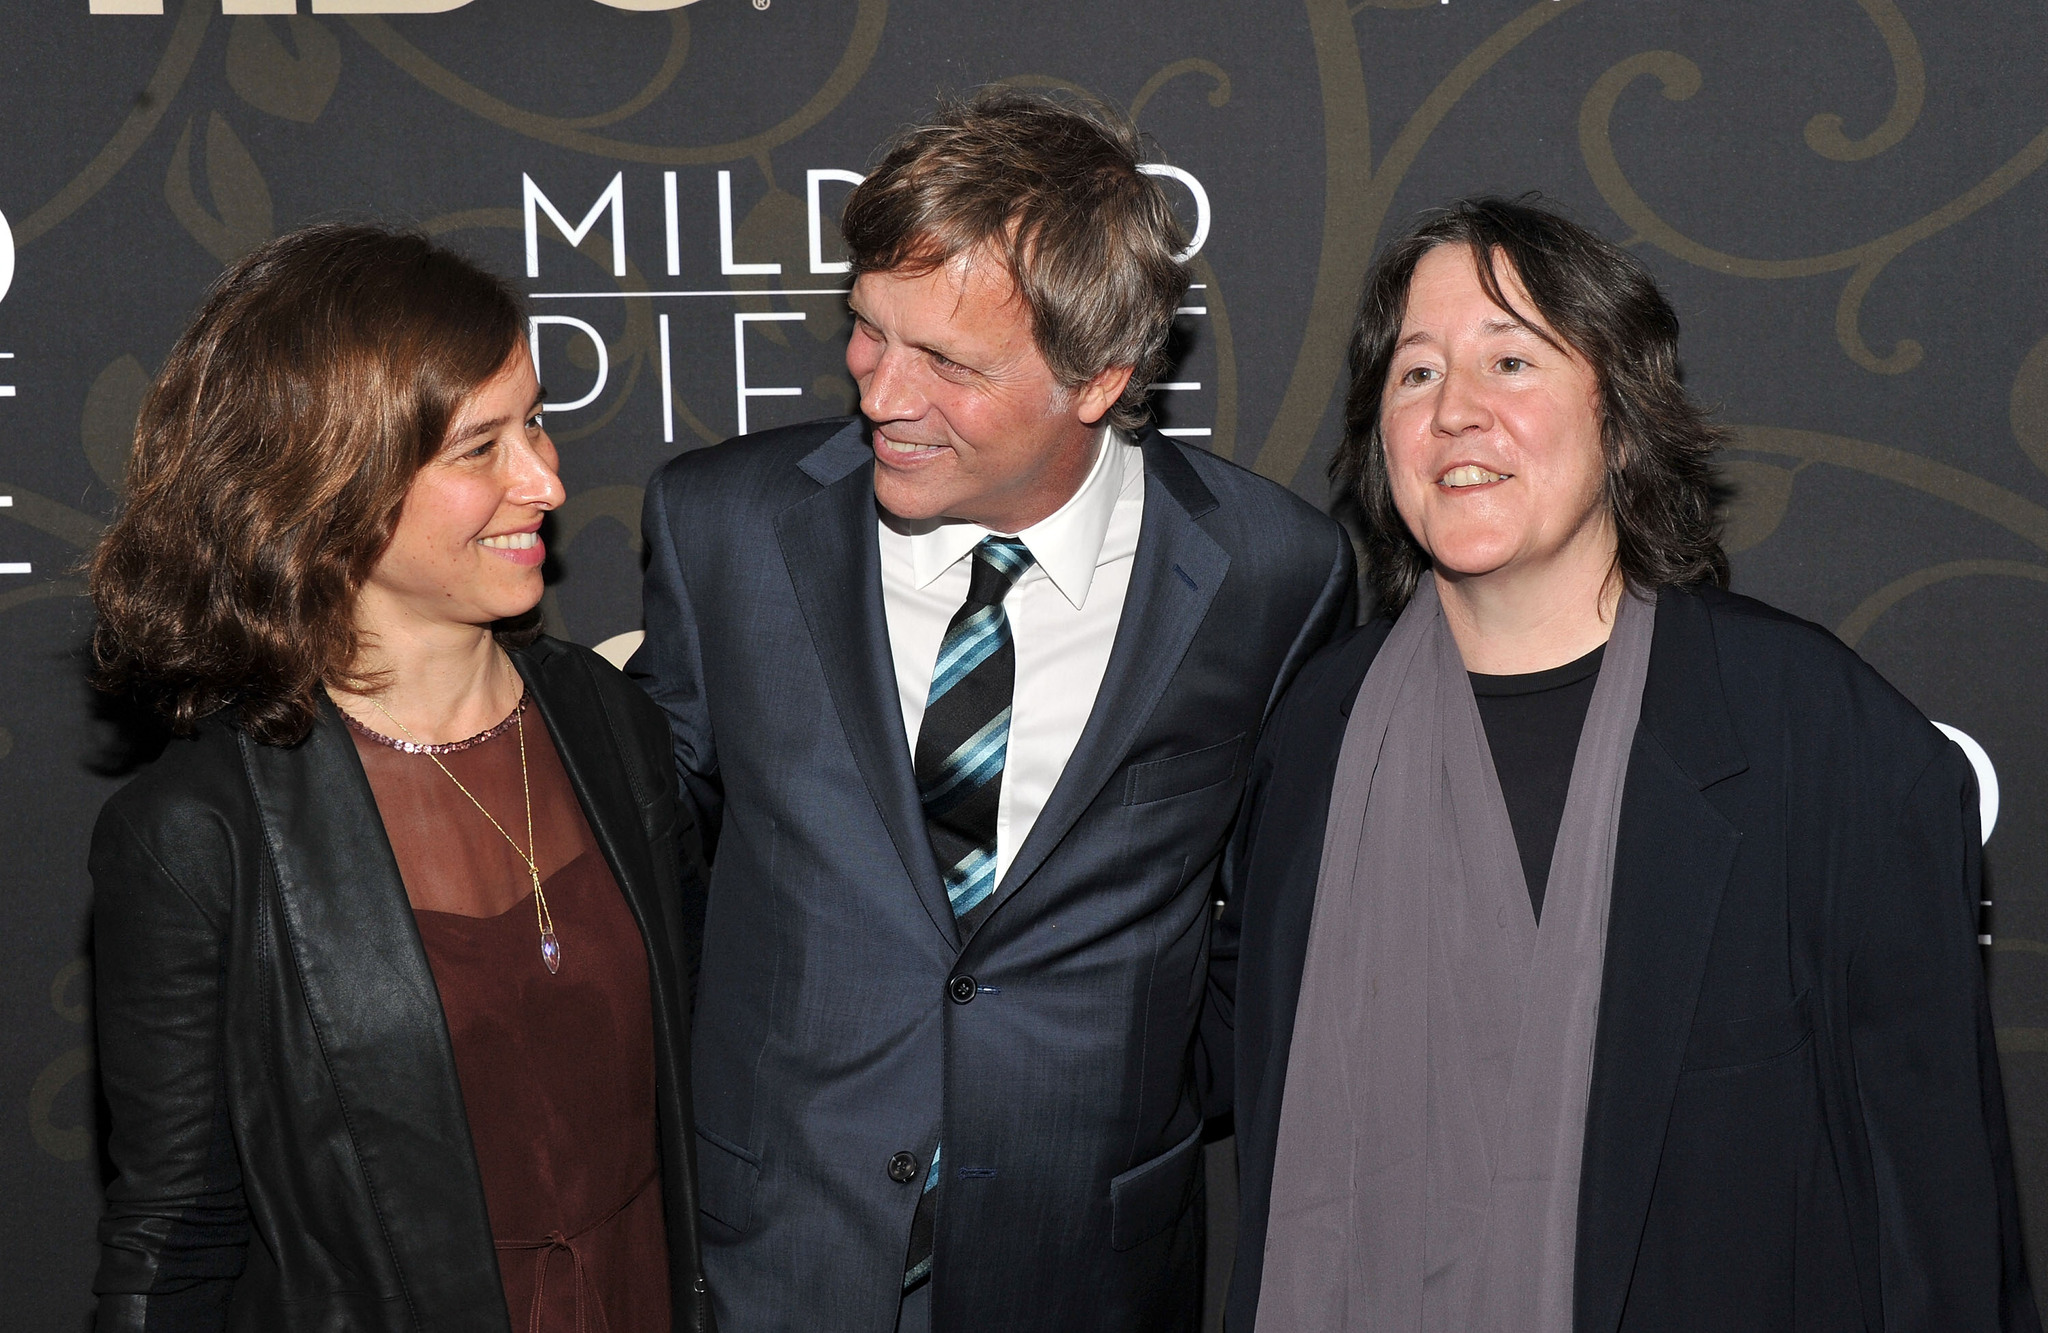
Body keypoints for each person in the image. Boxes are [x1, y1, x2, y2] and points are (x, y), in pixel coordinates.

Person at [1213, 197, 2039, 1333]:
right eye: (1413, 375)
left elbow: (1930, 1202)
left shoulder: (1816, 733)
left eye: (1510, 360)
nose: (1454, 412)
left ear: (1621, 415)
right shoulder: (1312, 732)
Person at [628, 90, 1354, 1333]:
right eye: (866, 331)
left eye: (948, 363)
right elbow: (651, 864)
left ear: (1100, 378)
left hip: (1085, 1262)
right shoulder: (728, 528)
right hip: (774, 1255)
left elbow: (1285, 916)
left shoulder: (1269, 573)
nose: (879, 394)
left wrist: (1109, 1079)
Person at [87, 224, 711, 1332]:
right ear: (326, 484)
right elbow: (173, 1234)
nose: (547, 479)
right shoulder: (199, 831)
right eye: (480, 449)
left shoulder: (605, 720)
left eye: (536, 423)